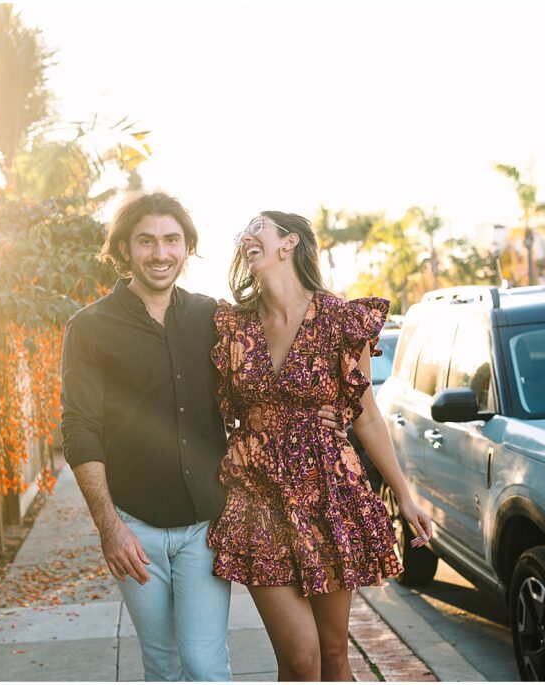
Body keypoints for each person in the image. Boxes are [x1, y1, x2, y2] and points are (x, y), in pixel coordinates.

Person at [60, 193, 345, 682]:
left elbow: (265, 380)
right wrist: (110, 526)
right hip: (136, 527)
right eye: (145, 241)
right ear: (125, 249)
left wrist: (315, 412)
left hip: (206, 525)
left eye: (172, 240)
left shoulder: (215, 319)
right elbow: (79, 429)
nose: (160, 252)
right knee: (163, 664)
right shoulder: (89, 328)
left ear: (186, 248)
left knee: (205, 664)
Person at [206, 211, 433, 682]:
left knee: (333, 656)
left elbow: (366, 413)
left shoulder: (339, 319)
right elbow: (217, 411)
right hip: (259, 501)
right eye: (244, 231)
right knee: (300, 659)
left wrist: (404, 496)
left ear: (289, 242)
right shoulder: (233, 325)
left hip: (329, 496)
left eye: (258, 226)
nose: (246, 235)